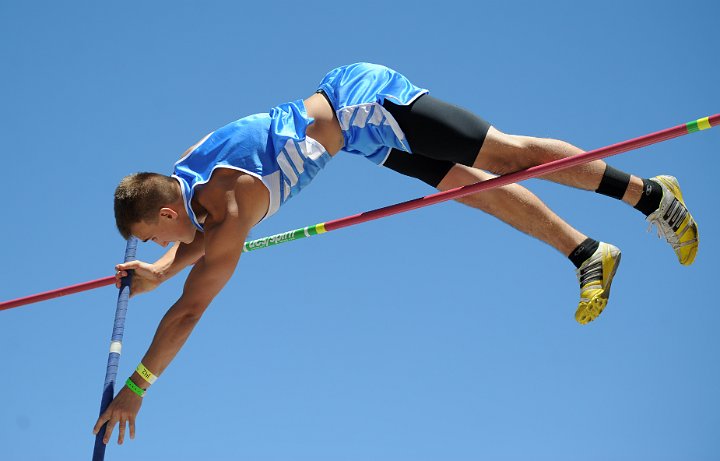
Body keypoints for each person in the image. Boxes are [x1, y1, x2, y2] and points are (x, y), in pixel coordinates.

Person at [93, 62, 698, 444]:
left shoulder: (229, 207)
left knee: (509, 156)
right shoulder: (182, 179)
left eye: (150, 236)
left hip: (363, 103)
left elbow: (190, 311)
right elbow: (189, 241)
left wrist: (138, 387)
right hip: (356, 136)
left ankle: (651, 197)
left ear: (166, 212)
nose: (154, 244)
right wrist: (159, 270)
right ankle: (586, 252)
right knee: (472, 190)